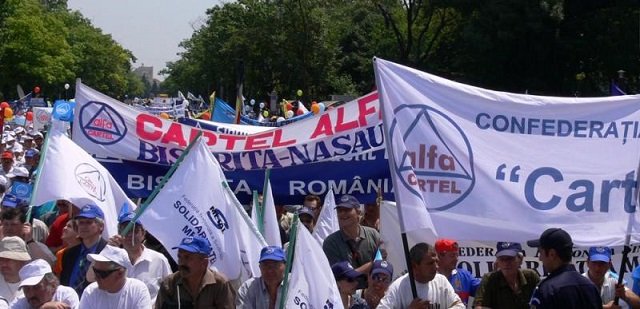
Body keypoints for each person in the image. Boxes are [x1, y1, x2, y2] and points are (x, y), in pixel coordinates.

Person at [103, 211, 171, 303]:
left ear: (143, 234)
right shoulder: (111, 258)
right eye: (126, 230)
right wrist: (107, 251)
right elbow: (90, 277)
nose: (130, 235)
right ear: (119, 233)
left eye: (134, 230)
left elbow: (171, 291)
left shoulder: (159, 260)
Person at [527, 227, 602, 308]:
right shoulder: (591, 287)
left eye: (540, 252)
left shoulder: (547, 290)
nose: (540, 258)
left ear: (552, 254)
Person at [155, 236, 236, 308]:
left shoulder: (220, 284)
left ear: (204, 263)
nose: (181, 262)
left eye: (188, 257)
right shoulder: (169, 283)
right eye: (179, 257)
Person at [378, 242, 465, 309]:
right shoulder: (398, 288)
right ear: (414, 266)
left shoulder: (441, 281)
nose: (436, 267)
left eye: (436, 261)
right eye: (430, 263)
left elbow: (459, 305)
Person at [323, 195, 382, 280]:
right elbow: (340, 276)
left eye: (347, 210)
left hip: (373, 290)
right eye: (339, 211)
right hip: (345, 292)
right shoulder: (331, 242)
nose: (343, 213)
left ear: (359, 212)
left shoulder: (373, 234)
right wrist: (370, 265)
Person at [79, 245, 151, 308]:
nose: (95, 277)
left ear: (120, 273)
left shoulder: (138, 290)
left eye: (101, 273)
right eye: (95, 271)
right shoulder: (90, 292)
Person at [472, 242, 540, 309]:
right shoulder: (489, 279)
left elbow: (545, 300)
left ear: (520, 260)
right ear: (497, 261)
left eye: (510, 259)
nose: (506, 263)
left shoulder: (531, 276)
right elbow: (479, 307)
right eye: (502, 259)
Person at [59, 204, 108, 296]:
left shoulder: (108, 252)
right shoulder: (69, 254)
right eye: (81, 222)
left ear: (101, 226)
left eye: (89, 222)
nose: (83, 226)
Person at [12, 259, 79, 309]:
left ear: (53, 285)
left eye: (37, 287)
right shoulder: (20, 302)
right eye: (26, 289)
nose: (31, 294)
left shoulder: (65, 294)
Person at [435, 238, 480, 306]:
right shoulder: (429, 277)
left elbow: (485, 289)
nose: (456, 259)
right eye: (452, 255)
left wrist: (495, 274)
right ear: (439, 256)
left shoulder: (464, 275)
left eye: (457, 255)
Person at [0, 236, 31, 304]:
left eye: (10, 259)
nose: (4, 263)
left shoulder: (32, 284)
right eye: (1, 259)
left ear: (22, 262)